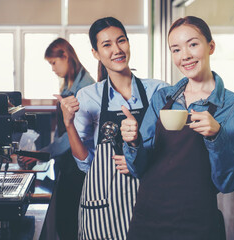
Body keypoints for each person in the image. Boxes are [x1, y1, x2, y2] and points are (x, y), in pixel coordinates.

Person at [121, 16, 234, 240]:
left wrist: (216, 136)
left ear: (211, 46)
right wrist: (133, 142)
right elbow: (139, 169)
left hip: (197, 224)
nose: (185, 56)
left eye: (193, 44)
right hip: (148, 218)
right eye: (176, 49)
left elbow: (226, 183)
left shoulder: (233, 105)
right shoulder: (163, 98)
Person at [56, 17, 168, 239]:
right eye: (106, 45)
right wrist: (68, 124)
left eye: (121, 41)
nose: (117, 50)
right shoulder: (88, 97)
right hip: (104, 205)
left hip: (151, 197)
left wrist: (139, 158)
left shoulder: (158, 91)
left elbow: (172, 149)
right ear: (96, 53)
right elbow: (85, 163)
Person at [19, 38, 95, 239]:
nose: (52, 68)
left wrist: (43, 153)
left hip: (80, 163)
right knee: (66, 219)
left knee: (69, 221)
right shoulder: (69, 84)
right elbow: (63, 132)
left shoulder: (85, 88)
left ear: (65, 56)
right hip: (68, 160)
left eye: (54, 62)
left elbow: (75, 134)